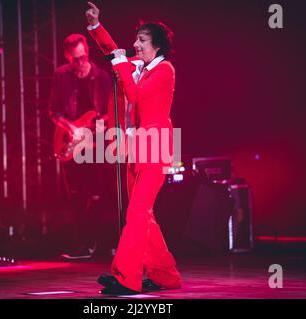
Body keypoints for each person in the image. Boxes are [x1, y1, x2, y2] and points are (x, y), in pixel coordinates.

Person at [85, 2, 182, 294]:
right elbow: (114, 53)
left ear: (157, 45)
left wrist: (121, 65)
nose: (135, 45)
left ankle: (126, 277)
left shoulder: (164, 70)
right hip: (134, 148)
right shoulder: (139, 66)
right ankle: (165, 275)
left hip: (155, 148)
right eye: (136, 39)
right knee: (144, 214)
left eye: (141, 40)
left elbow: (135, 95)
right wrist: (95, 26)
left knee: (137, 214)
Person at [49, 33, 111, 260]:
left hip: (96, 143)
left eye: (83, 57)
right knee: (75, 195)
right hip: (71, 143)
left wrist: (104, 122)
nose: (80, 62)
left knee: (98, 195)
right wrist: (70, 128)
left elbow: (107, 112)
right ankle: (81, 244)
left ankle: (101, 243)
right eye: (75, 59)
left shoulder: (101, 77)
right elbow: (52, 112)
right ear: (67, 56)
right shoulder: (61, 76)